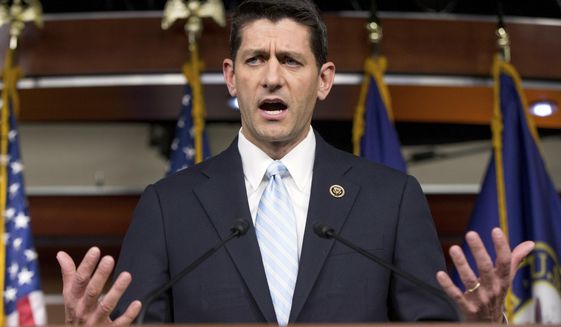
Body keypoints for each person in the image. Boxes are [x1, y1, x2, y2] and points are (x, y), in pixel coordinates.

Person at [56, 0, 535, 324]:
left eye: (290, 60)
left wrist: (482, 324)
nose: (271, 77)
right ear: (230, 76)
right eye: (253, 60)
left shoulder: (390, 198)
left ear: (323, 80)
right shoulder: (168, 206)